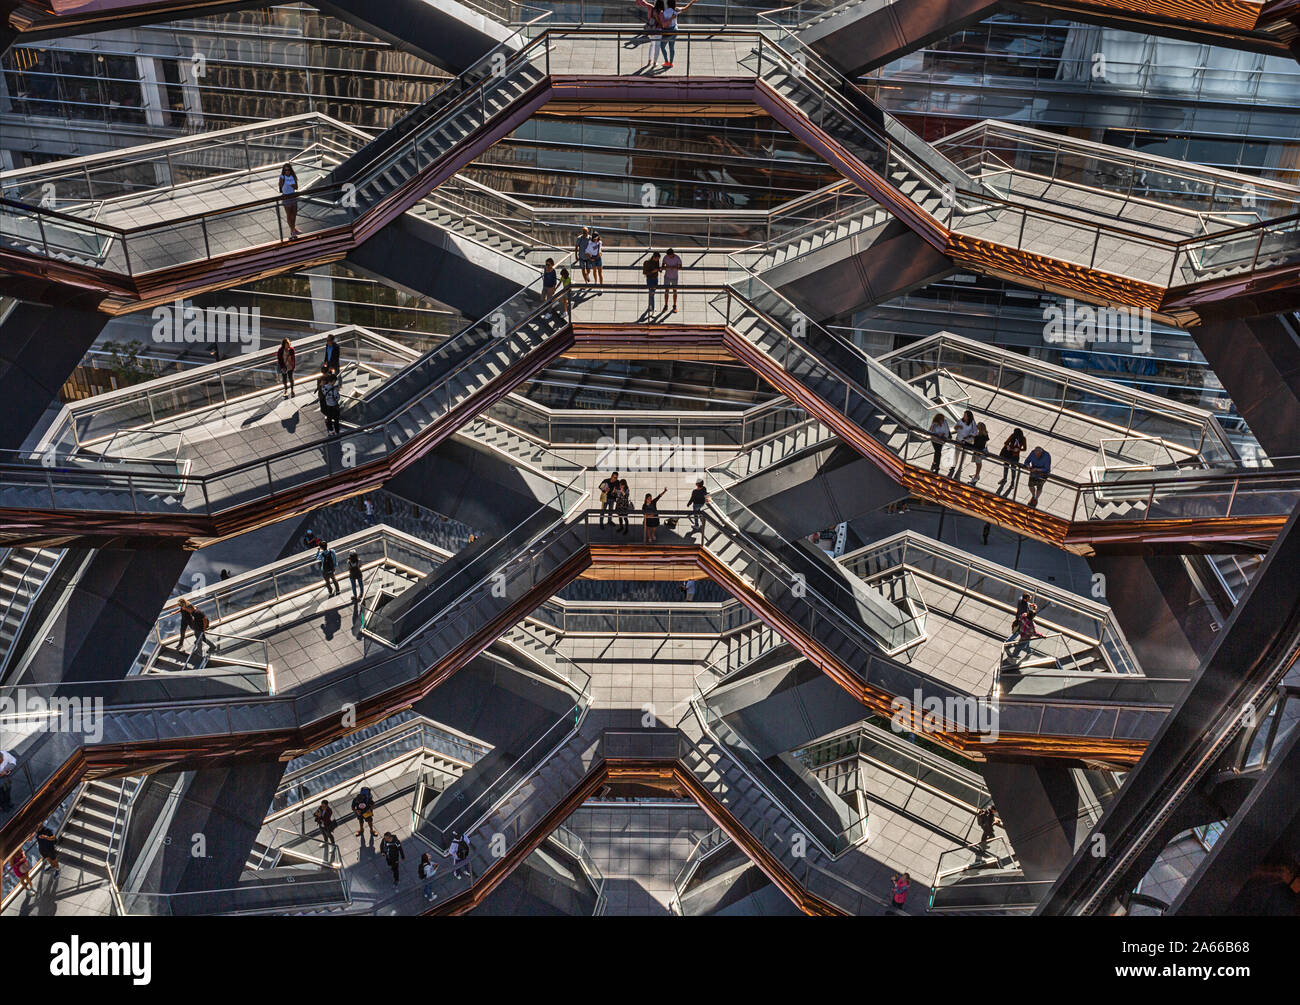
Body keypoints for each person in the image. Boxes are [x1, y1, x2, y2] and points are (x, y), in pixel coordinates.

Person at [997, 427, 1027, 492]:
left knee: (1013, 469)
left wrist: (1019, 449)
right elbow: (1006, 442)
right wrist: (1007, 446)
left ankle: (1012, 482)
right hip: (1008, 454)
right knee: (1006, 467)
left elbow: (1025, 448)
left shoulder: (1023, 439)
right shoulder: (1013, 435)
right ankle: (1004, 479)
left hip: (1015, 456)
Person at [951, 409, 978, 477]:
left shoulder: (972, 423)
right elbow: (955, 427)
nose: (964, 416)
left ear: (969, 417)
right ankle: (954, 465)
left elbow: (975, 432)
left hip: (966, 442)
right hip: (959, 440)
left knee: (964, 455)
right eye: (964, 415)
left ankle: (960, 466)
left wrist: (969, 436)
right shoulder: (960, 421)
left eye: (965, 415)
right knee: (956, 453)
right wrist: (958, 427)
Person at [278, 163, 300, 236]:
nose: (287, 171)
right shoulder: (282, 177)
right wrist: (282, 179)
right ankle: (292, 230)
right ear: (283, 171)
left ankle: (293, 228)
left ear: (290, 170)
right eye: (285, 170)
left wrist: (292, 184)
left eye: (288, 169)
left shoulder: (293, 176)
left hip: (293, 196)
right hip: (286, 197)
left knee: (294, 214)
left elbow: (296, 187)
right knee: (289, 215)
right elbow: (280, 185)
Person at [320, 371, 342, 437]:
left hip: (328, 405)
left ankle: (331, 431)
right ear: (333, 381)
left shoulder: (323, 387)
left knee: (329, 419)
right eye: (335, 381)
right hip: (334, 406)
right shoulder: (334, 390)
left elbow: (324, 394)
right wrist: (337, 391)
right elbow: (337, 398)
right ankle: (337, 431)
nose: (335, 382)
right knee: (336, 419)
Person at [662, 247, 683, 311]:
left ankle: (674, 305)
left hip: (674, 277)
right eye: (668, 256)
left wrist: (675, 267)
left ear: (673, 254)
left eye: (670, 256)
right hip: (667, 277)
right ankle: (666, 305)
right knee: (666, 291)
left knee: (675, 292)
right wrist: (667, 267)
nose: (669, 257)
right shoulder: (665, 257)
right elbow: (663, 266)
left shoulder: (677, 258)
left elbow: (681, 268)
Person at [0, 747, 16, 811]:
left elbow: (13, 761)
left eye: (1, 761)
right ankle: (3, 806)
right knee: (1, 795)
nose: (1, 763)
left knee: (7, 791)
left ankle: (8, 803)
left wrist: (5, 770)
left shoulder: (4, 754)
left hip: (5, 779)